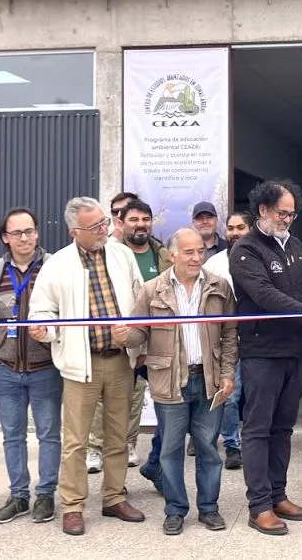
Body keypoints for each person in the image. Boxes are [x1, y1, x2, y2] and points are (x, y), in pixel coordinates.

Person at [27, 196, 146, 536]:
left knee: (118, 437)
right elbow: (42, 311)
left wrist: (136, 335)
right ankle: (73, 505)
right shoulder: (58, 264)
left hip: (120, 361)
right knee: (76, 441)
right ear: (73, 231)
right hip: (80, 365)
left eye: (105, 223)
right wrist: (44, 330)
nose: (103, 231)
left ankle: (114, 497)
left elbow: (140, 303)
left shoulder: (122, 255)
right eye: (95, 227)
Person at [230, 178, 302, 536]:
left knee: (284, 428)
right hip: (262, 354)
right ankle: (258, 506)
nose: (288, 219)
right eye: (281, 213)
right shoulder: (245, 250)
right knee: (257, 430)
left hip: (295, 351)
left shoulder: (297, 246)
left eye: (292, 213)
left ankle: (278, 494)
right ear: (262, 210)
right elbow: (262, 294)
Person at [125, 228, 237, 536]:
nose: (197, 257)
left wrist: (228, 373)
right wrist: (124, 334)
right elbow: (138, 332)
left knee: (208, 448)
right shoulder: (152, 290)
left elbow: (229, 335)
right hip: (169, 380)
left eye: (200, 251)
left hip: (209, 379)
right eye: (189, 252)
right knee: (170, 450)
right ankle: (175, 509)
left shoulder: (219, 286)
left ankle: (209, 509)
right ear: (172, 254)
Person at [0, 208, 60, 525]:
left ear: (37, 232)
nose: (24, 238)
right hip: (6, 369)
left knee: (49, 434)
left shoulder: (55, 269)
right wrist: (2, 344)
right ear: (5, 237)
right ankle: (18, 496)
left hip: (45, 368)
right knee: (12, 436)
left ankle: (46, 495)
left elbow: (68, 311)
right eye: (17, 233)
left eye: (29, 231)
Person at [88, 199, 171, 472]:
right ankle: (96, 449)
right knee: (107, 401)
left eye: (145, 219)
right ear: (120, 224)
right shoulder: (109, 254)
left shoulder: (163, 255)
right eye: (134, 220)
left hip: (158, 342)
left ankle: (140, 451)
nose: (140, 225)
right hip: (120, 342)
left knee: (155, 405)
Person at [193, 209, 250, 466]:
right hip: (227, 340)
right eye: (231, 228)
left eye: (241, 228)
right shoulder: (213, 263)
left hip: (259, 339)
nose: (235, 233)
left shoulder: (262, 259)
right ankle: (232, 445)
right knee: (230, 394)